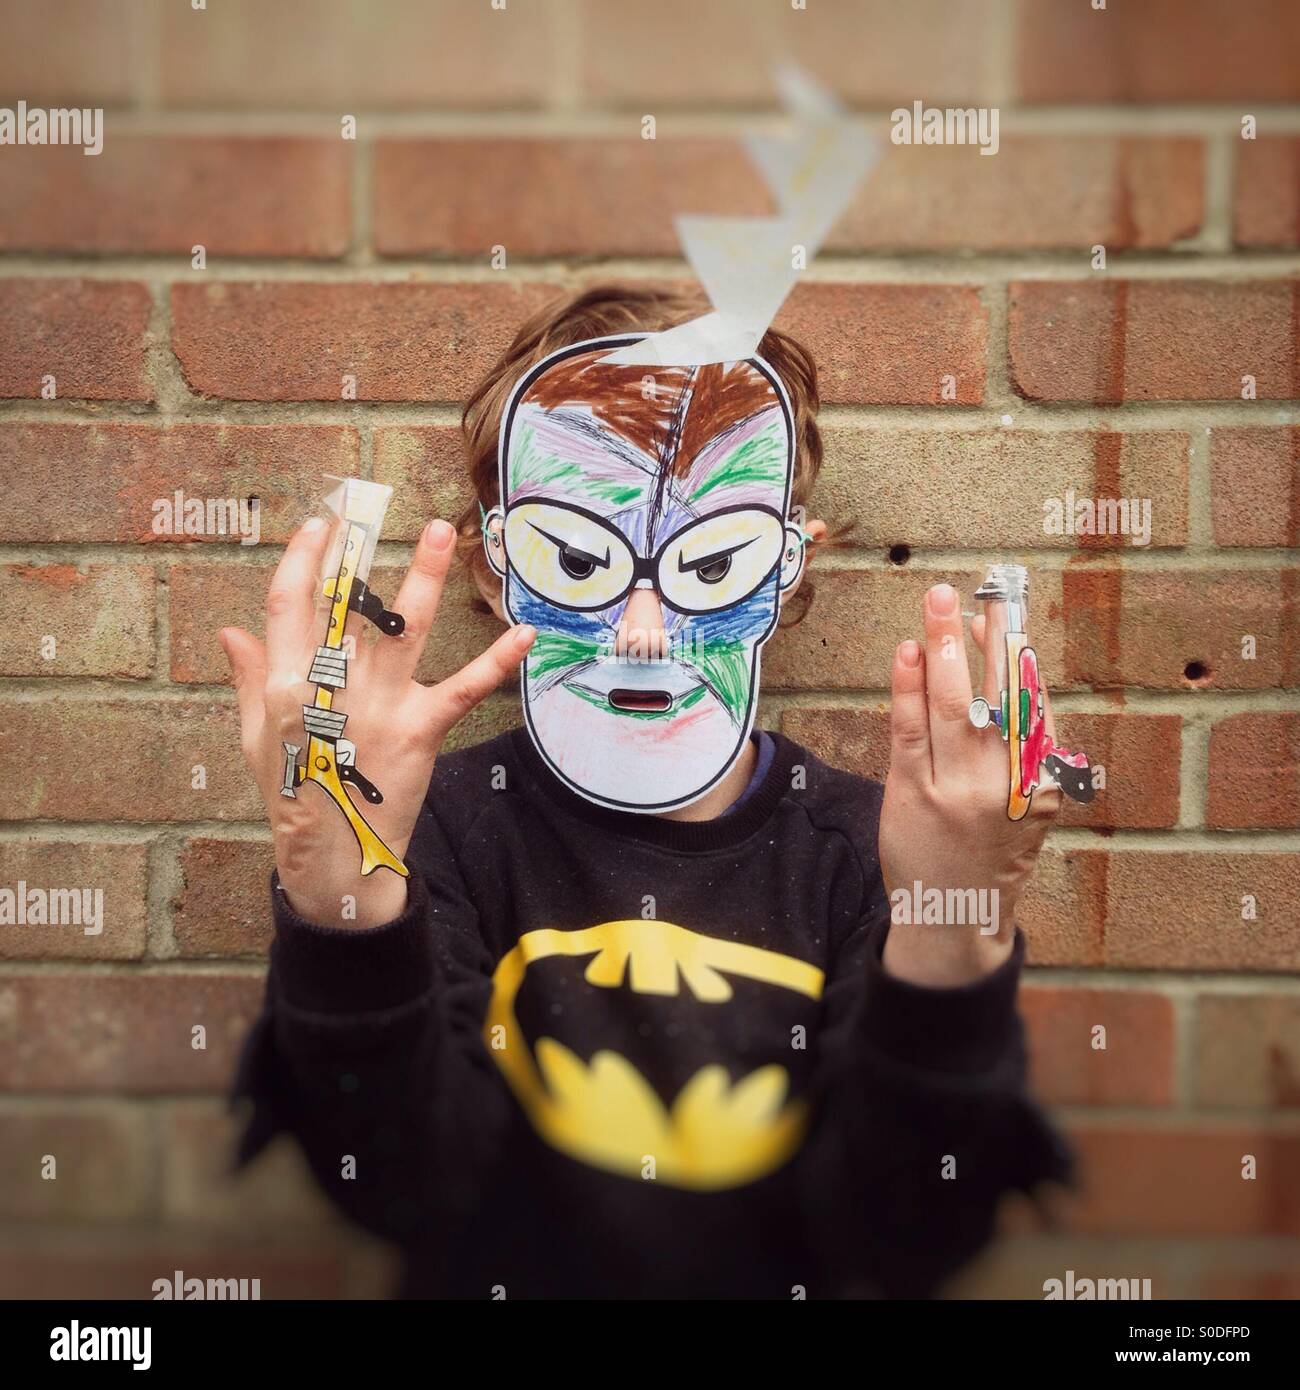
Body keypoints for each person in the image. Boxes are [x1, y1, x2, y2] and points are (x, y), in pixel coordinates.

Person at [221, 285, 1070, 1299]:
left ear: (781, 576)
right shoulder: (431, 829)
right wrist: (340, 891)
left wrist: (949, 922)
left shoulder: (868, 850)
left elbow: (902, 1235)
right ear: (497, 571)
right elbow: (401, 1189)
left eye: (712, 561)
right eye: (576, 557)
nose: (640, 631)